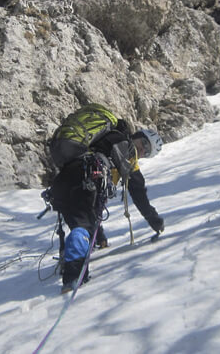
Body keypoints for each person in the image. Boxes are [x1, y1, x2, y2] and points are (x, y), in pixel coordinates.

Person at [47, 103, 164, 292]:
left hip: (64, 180)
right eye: (143, 144)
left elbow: (95, 209)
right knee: (82, 226)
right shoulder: (125, 152)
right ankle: (73, 277)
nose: (141, 151)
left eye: (146, 152)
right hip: (86, 176)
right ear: (137, 136)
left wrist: (100, 237)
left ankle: (70, 259)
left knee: (81, 222)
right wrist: (155, 221)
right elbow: (139, 194)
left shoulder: (102, 143)